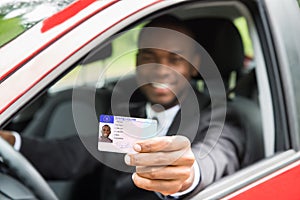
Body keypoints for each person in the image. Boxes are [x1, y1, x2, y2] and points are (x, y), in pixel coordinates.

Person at [0, 15, 245, 199]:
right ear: (138, 61)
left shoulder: (220, 117)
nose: (161, 70)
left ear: (194, 65)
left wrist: (188, 174)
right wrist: (10, 141)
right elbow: (74, 155)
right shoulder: (130, 115)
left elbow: (215, 157)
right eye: (149, 57)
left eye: (175, 59)